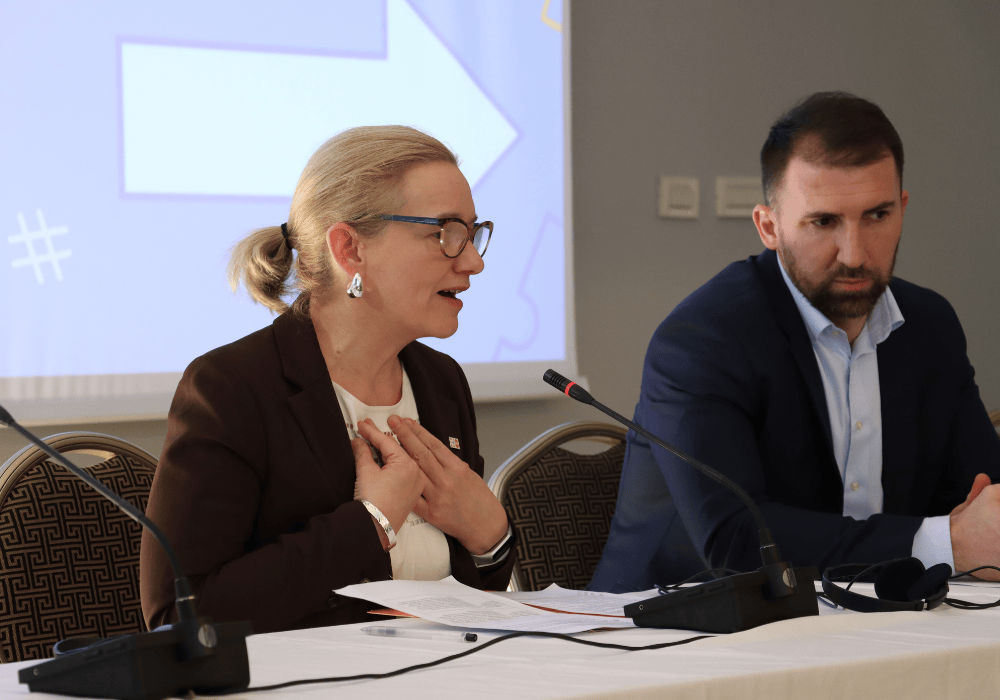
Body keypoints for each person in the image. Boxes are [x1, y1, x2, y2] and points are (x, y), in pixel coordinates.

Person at [590, 92, 1000, 592]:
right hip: (671, 639)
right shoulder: (700, 341)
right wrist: (944, 543)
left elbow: (983, 496)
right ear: (769, 226)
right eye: (824, 221)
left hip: (864, 625)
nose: (854, 253)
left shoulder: (929, 325)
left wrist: (978, 527)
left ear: (903, 209)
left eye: (876, 216)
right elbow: (738, 542)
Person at [140, 126, 515, 634]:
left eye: (473, 233)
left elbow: (470, 607)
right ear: (350, 249)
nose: (473, 260)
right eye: (444, 233)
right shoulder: (231, 388)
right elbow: (180, 615)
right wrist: (372, 523)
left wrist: (490, 538)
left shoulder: (442, 382)